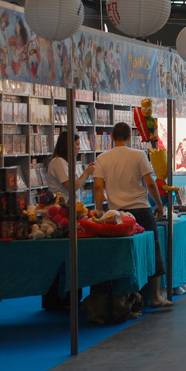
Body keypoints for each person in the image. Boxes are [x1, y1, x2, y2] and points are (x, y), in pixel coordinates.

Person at [93, 122, 172, 308]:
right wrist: (159, 204)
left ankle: (122, 297)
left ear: (112, 138)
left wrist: (98, 211)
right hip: (141, 209)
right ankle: (155, 297)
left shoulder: (102, 158)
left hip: (117, 214)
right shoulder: (138, 155)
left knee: (120, 254)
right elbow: (150, 184)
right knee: (153, 250)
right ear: (130, 137)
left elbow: (98, 186)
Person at [46, 131, 95, 203]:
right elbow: (71, 187)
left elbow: (77, 187)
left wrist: (87, 172)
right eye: (77, 144)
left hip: (71, 204)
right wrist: (86, 173)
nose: (79, 148)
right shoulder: (58, 162)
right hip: (62, 206)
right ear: (68, 145)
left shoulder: (66, 162)